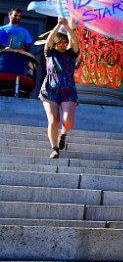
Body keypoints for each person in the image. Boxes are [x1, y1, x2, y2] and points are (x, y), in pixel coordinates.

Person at [38, 17, 81, 159]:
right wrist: (58, 25)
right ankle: (54, 148)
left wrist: (67, 27)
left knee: (68, 120)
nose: (62, 45)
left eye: (64, 43)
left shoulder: (71, 54)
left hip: (68, 89)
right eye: (59, 43)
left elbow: (75, 42)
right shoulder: (50, 54)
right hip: (50, 89)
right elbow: (49, 41)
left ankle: (63, 135)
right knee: (53, 119)